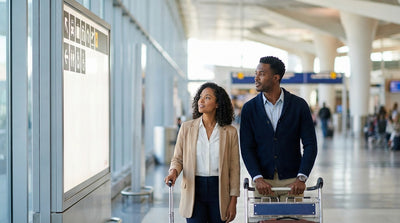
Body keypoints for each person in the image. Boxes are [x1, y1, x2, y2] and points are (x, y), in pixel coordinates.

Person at [240, 56, 317, 200]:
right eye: (256, 73)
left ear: (276, 78)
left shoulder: (299, 106)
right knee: (264, 222)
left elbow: (310, 144)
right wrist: (257, 178)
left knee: (291, 222)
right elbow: (246, 147)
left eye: (261, 74)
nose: (256, 78)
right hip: (263, 182)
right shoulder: (249, 109)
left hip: (292, 181)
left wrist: (302, 177)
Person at [164, 82, 240, 223]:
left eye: (207, 97)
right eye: (200, 97)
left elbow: (234, 168)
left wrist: (233, 201)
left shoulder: (230, 132)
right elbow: (178, 158)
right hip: (193, 189)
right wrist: (173, 172)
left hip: (219, 190)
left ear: (217, 104)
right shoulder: (187, 128)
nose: (201, 100)